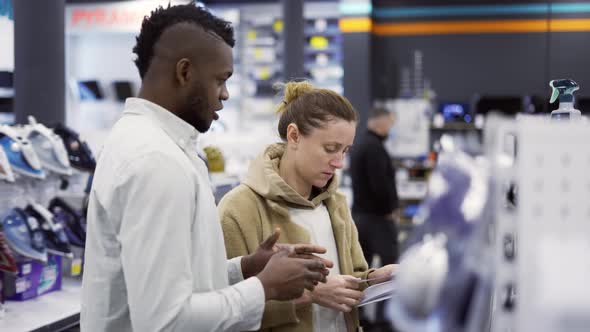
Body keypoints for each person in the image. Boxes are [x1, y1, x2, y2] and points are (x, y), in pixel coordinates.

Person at [81, 4, 331, 332]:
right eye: (220, 80)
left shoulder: (155, 146)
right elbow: (165, 321)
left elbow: (174, 283)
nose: (225, 95)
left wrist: (245, 268)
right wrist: (264, 287)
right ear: (184, 73)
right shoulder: (156, 161)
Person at [219, 81, 396, 332]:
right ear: (294, 136)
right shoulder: (239, 209)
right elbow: (223, 308)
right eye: (330, 149)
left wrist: (374, 280)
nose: (339, 163)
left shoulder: (336, 204)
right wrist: (310, 294)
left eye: (345, 151)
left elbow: (352, 278)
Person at [349, 106, 399, 328]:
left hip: (359, 216)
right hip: (378, 218)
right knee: (390, 272)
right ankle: (384, 319)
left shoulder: (360, 145)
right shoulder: (375, 148)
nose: (391, 128)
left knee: (361, 272)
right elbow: (381, 185)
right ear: (379, 123)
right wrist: (390, 209)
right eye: (390, 123)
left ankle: (361, 318)